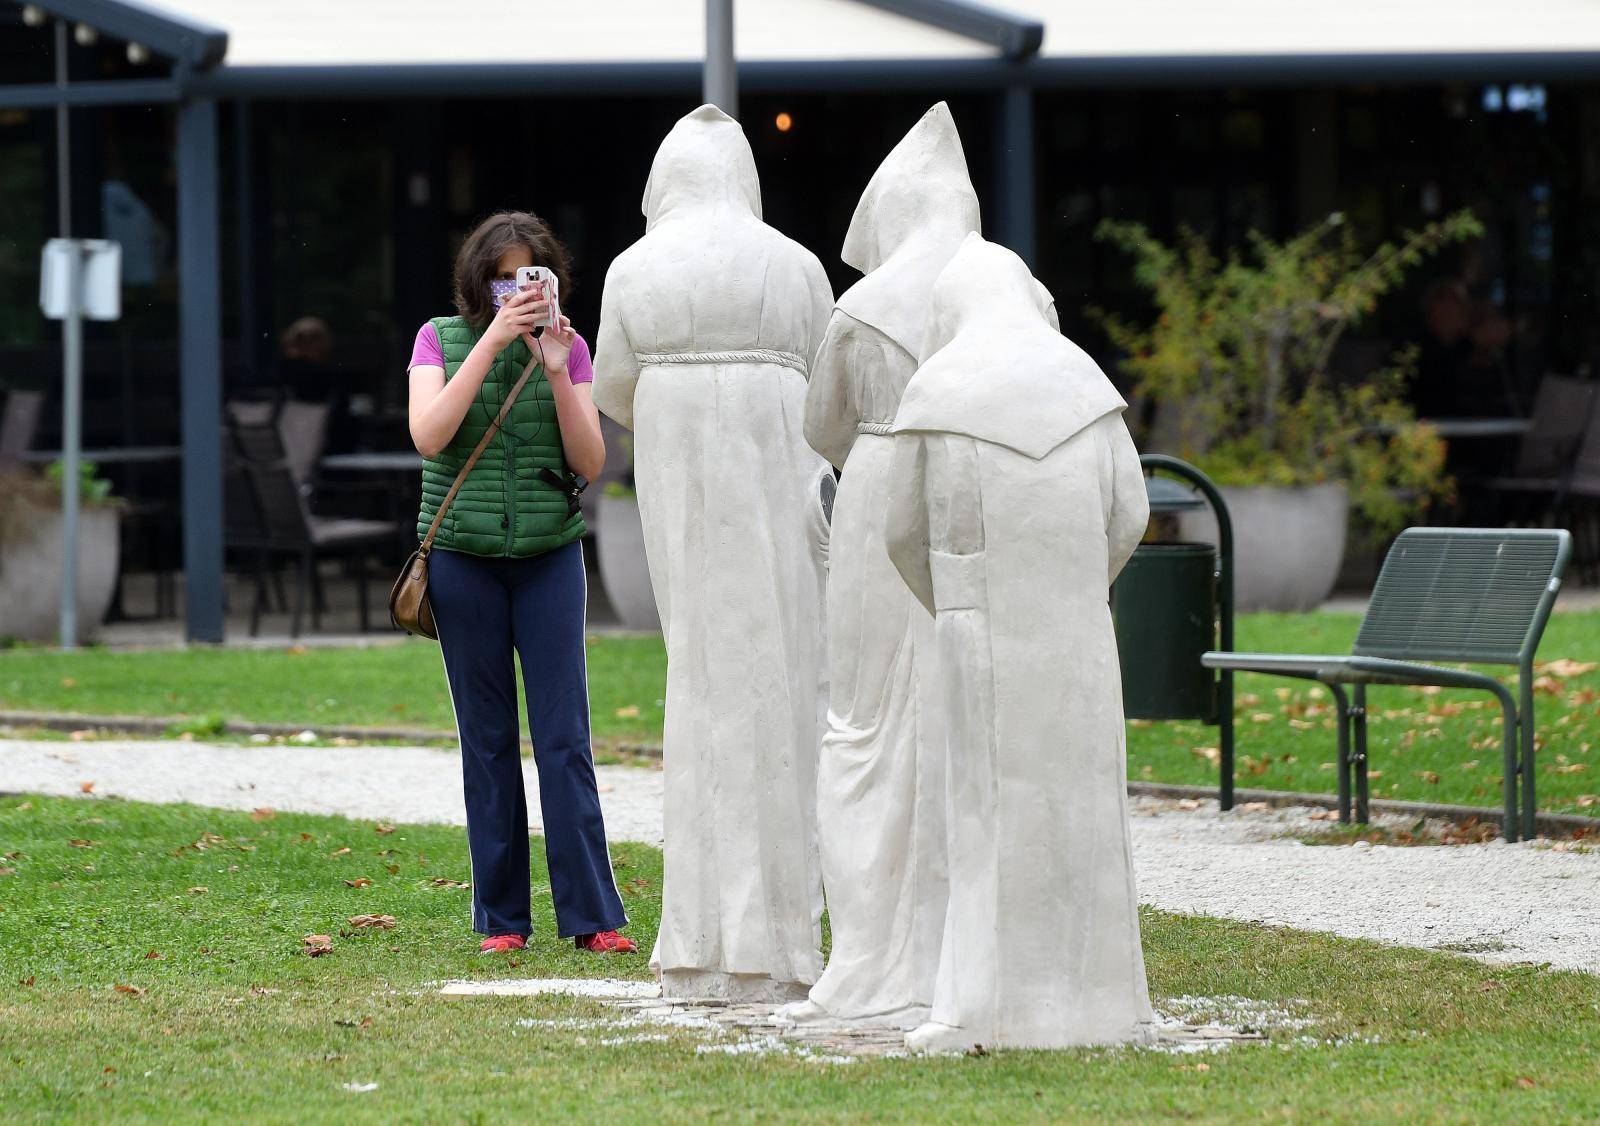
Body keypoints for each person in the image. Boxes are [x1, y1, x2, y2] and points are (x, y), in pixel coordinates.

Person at [886, 234, 1152, 1051]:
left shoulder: (939, 388)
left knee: (987, 817)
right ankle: (1103, 1006)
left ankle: (979, 1008)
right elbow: (1130, 514)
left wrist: (961, 602)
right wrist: (1069, 585)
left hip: (978, 630)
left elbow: (903, 536)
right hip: (1076, 633)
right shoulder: (1086, 384)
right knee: (1082, 817)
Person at [592, 105, 833, 1001]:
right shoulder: (796, 263)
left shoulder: (635, 267)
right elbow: (831, 373)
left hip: (679, 462)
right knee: (778, 670)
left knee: (700, 672)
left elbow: (615, 380)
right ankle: (776, 934)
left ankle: (705, 934)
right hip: (778, 462)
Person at [784, 102, 977, 1029]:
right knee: (959, 717)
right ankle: (951, 945)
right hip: (974, 501)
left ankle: (868, 954)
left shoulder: (864, 306)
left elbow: (824, 427)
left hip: (878, 495)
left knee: (862, 726)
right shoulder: (1004, 287)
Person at [407, 210, 635, 956]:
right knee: (489, 741)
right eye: (503, 278)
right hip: (463, 561)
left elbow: (591, 461)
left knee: (565, 738)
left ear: (552, 281)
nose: (517, 290)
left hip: (549, 559)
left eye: (529, 276)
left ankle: (593, 916)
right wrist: (496, 343)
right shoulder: (439, 338)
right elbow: (430, 433)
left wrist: (556, 369)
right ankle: (502, 921)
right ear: (479, 280)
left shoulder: (568, 348)